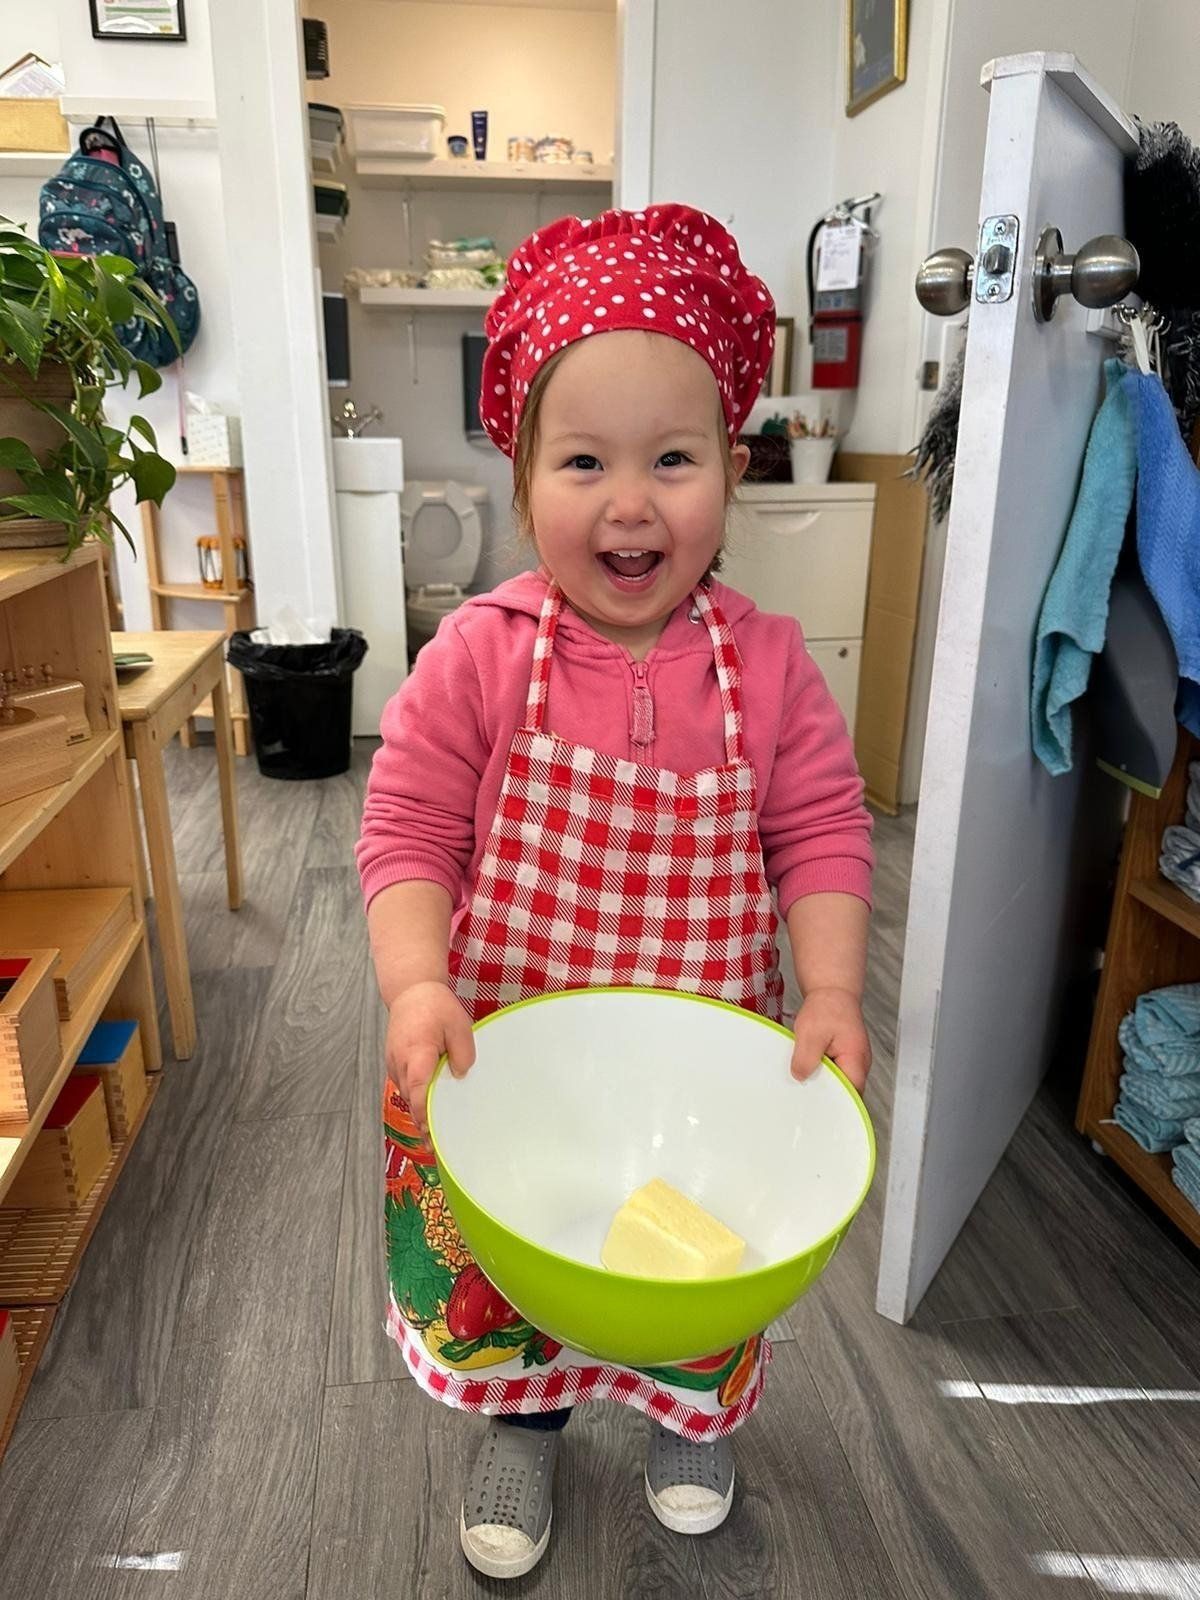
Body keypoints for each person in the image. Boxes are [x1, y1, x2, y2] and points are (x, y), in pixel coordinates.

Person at [357, 203, 874, 1581]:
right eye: (584, 460)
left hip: (693, 1088)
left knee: (694, 1262)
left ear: (734, 469)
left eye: (675, 459)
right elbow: (406, 824)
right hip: (511, 1063)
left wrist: (828, 988)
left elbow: (823, 829)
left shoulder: (766, 665)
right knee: (524, 1274)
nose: (631, 500)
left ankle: (686, 1413)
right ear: (521, 474)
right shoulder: (477, 653)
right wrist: (418, 978)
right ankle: (524, 1428)